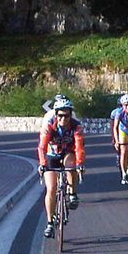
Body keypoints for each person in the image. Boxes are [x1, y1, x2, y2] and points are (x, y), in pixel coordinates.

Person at [38, 97, 86, 238]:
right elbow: (42, 147)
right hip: (51, 155)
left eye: (66, 115)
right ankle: (49, 223)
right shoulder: (49, 126)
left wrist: (80, 164)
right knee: (51, 188)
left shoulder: (76, 127)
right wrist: (42, 164)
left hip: (68, 152)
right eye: (60, 115)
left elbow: (79, 148)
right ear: (56, 115)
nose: (63, 119)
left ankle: (72, 193)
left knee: (71, 165)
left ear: (70, 115)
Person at [110, 93, 128, 184]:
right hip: (124, 131)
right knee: (124, 151)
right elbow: (115, 127)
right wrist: (117, 141)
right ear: (122, 106)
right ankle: (124, 173)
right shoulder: (119, 113)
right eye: (126, 105)